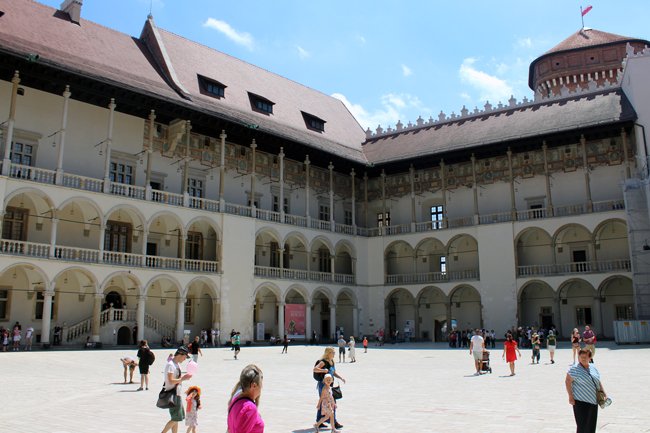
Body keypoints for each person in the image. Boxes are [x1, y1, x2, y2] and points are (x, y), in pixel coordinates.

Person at [565, 348, 607, 433]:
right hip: (580, 401)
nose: (583, 358)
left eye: (585, 357)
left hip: (593, 401)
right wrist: (570, 396)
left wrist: (604, 394)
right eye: (581, 357)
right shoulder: (574, 369)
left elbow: (598, 381)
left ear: (590, 358)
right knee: (582, 426)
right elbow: (567, 381)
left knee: (591, 426)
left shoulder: (593, 367)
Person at [313, 347, 346, 430]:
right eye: (333, 352)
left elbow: (333, 372)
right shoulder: (323, 362)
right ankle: (334, 422)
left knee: (327, 402)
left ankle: (319, 421)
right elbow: (315, 369)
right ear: (328, 353)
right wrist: (323, 371)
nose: (334, 354)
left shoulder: (332, 361)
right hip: (323, 385)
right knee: (330, 402)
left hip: (329, 385)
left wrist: (341, 378)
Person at [161, 346, 192, 433]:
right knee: (176, 417)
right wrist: (183, 378)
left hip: (176, 393)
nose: (185, 359)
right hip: (172, 394)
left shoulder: (176, 364)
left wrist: (184, 378)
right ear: (180, 354)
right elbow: (171, 380)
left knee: (176, 418)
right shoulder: (171, 365)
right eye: (185, 356)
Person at [227, 364, 264, 433]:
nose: (262, 387)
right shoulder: (250, 407)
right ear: (254, 386)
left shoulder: (235, 400)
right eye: (261, 383)